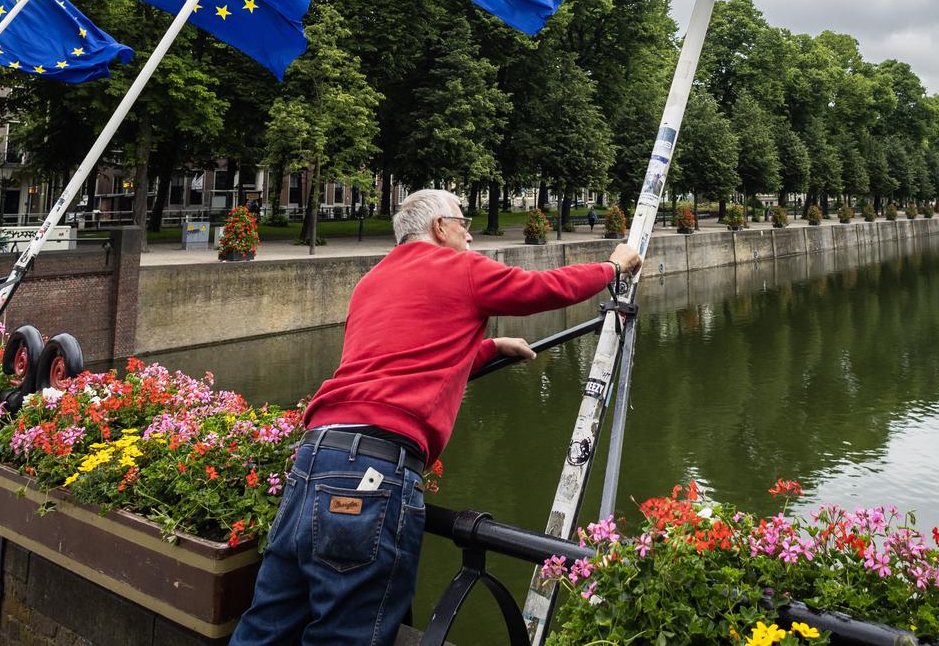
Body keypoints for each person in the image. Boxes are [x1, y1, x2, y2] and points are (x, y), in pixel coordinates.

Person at [230, 189, 641, 646]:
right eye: (463, 223)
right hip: (376, 469)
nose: (470, 234)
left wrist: (484, 350)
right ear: (440, 227)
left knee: (267, 623)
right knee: (347, 634)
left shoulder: (370, 282)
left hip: (313, 460)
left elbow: (397, 354)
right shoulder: (461, 268)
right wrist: (612, 267)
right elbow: (542, 288)